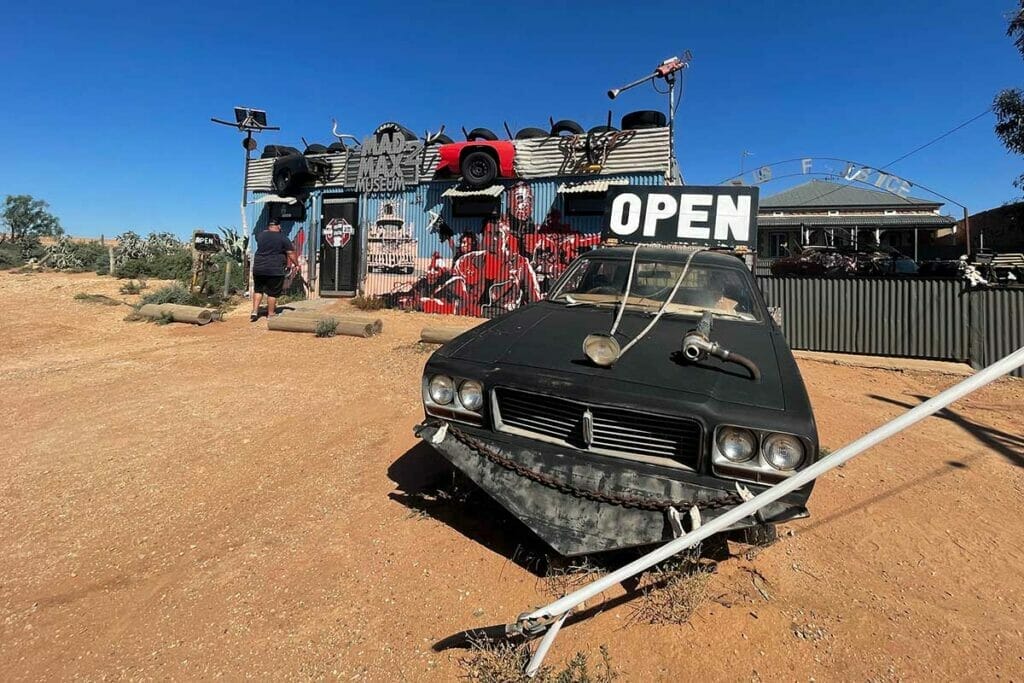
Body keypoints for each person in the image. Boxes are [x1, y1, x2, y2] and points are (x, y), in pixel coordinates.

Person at [250, 221, 298, 322]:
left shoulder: (261, 236)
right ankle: (271, 314)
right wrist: (296, 264)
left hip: (259, 268)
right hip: (274, 269)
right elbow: (291, 253)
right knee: (272, 293)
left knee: (258, 290)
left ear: (269, 226)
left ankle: (254, 311)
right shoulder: (283, 238)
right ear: (279, 226)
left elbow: (263, 237)